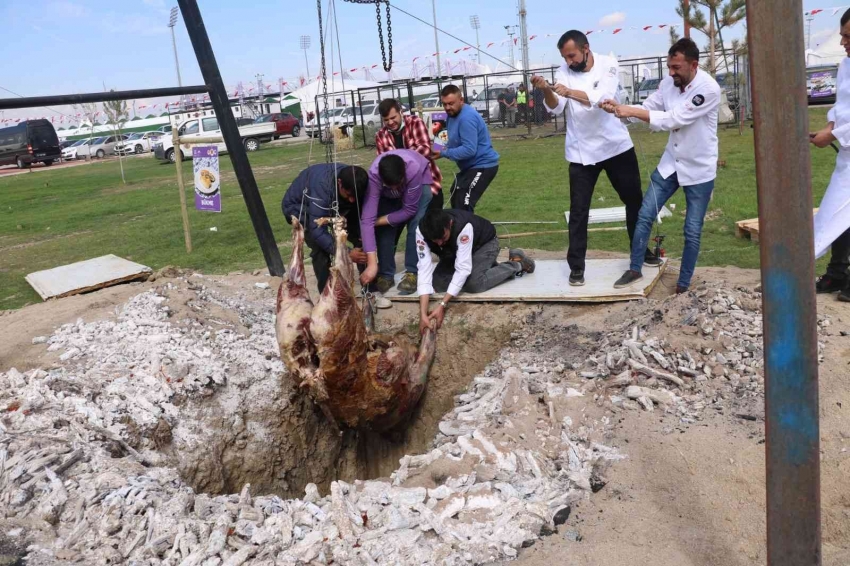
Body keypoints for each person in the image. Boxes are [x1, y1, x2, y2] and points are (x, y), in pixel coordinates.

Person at [531, 30, 655, 287]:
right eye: (565, 57)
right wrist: (547, 90)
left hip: (616, 146)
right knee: (578, 211)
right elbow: (556, 107)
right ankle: (576, 267)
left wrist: (570, 91)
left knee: (634, 201)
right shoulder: (564, 71)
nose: (568, 62)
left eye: (572, 55)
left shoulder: (609, 63)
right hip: (581, 152)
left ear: (586, 48)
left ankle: (641, 251)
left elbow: (603, 98)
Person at [600, 38, 721, 294]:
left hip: (699, 168)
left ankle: (683, 285)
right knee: (644, 214)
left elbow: (674, 119)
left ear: (693, 65)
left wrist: (628, 111)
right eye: (669, 66)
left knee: (691, 230)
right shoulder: (668, 83)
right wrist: (618, 109)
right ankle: (635, 268)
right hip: (671, 163)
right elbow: (647, 108)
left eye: (676, 67)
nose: (671, 72)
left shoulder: (708, 89)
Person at [416, 208, 535, 334]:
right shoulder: (422, 231)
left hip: (484, 244)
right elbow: (424, 269)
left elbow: (463, 269)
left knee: (474, 284)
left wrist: (442, 305)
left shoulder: (463, 227)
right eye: (435, 240)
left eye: (443, 237)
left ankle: (518, 264)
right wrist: (423, 314)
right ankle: (488, 269)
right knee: (437, 284)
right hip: (455, 251)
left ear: (450, 224)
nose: (440, 243)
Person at [282, 163, 387, 302]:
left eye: (355, 196)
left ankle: (370, 289)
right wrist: (347, 253)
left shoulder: (357, 184)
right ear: (339, 183)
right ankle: (328, 298)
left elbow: (364, 215)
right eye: (349, 195)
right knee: (320, 249)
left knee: (361, 235)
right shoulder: (322, 188)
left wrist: (360, 236)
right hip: (300, 208)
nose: (352, 200)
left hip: (334, 200)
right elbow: (317, 231)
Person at [811, 8, 850, 301]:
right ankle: (837, 273)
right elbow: (840, 107)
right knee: (835, 214)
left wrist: (833, 135)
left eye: (848, 37)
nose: (842, 43)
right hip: (847, 157)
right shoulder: (845, 64)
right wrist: (829, 127)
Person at [359, 149, 434, 296]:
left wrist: (378, 221)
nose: (394, 189)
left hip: (418, 182)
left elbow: (409, 210)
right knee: (386, 229)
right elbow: (367, 219)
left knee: (416, 223)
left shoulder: (413, 169)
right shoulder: (374, 176)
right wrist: (372, 264)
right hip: (388, 188)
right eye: (389, 185)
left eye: (397, 185)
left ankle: (413, 272)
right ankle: (386, 274)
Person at [434, 84, 500, 212]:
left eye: (451, 103)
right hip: (470, 167)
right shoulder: (451, 115)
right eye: (445, 104)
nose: (448, 107)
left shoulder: (466, 118)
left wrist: (443, 153)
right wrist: (436, 148)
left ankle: (470, 231)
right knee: (455, 195)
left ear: (461, 100)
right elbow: (449, 139)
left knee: (463, 202)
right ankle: (462, 229)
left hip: (483, 165)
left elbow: (469, 150)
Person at [374, 98, 444, 211]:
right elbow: (383, 164)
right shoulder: (380, 136)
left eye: (393, 117)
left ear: (400, 112)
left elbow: (425, 150)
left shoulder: (415, 122)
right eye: (386, 120)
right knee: (413, 224)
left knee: (434, 224)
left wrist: (397, 166)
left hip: (428, 185)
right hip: (403, 192)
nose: (390, 122)